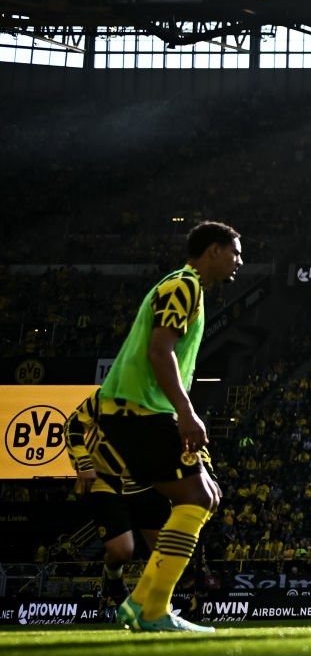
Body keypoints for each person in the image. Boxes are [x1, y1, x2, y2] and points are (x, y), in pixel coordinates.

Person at [90, 221, 242, 634]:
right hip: (139, 409)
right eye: (235, 252)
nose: (239, 261)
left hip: (141, 410)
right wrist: (186, 412)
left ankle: (141, 603)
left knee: (207, 495)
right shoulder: (183, 286)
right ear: (213, 251)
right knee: (198, 497)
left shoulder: (188, 288)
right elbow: (160, 352)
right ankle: (152, 608)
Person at [65, 391, 170, 620]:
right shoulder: (107, 394)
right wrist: (83, 463)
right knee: (122, 551)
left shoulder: (168, 397)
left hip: (147, 483)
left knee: (165, 553)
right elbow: (73, 425)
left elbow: (188, 439)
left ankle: (152, 605)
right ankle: (112, 575)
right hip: (106, 481)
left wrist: (207, 475)